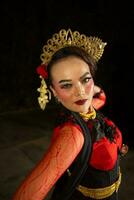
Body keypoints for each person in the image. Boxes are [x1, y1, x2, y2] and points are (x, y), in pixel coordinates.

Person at [12, 29, 128, 200]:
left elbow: (101, 96)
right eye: (66, 85)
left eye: (85, 79)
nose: (80, 92)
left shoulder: (89, 110)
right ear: (54, 92)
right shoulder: (72, 135)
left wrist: (92, 90)